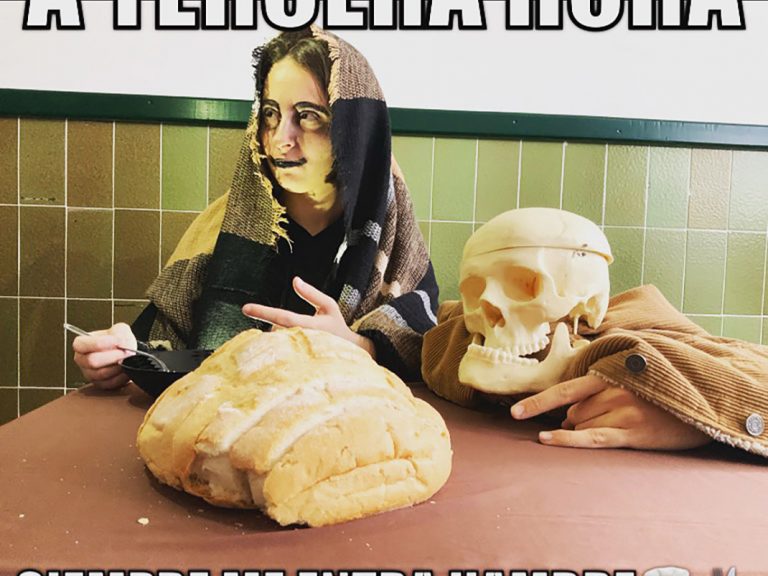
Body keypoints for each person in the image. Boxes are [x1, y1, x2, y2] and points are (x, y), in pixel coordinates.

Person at [73, 27, 439, 390]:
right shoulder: (228, 224)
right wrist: (123, 353)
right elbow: (167, 345)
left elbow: (424, 350)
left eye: (308, 116)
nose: (281, 138)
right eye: (270, 114)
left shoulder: (390, 236)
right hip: (225, 418)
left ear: (355, 132)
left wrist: (358, 347)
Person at [422, 217, 768, 458]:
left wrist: (689, 408)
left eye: (527, 287)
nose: (491, 310)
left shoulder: (656, 334)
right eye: (476, 290)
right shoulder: (454, 336)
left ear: (588, 305)